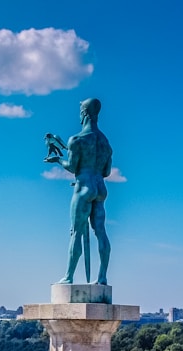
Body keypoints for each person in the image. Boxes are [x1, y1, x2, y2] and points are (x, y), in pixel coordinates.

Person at [45, 97, 113, 285]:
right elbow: (106, 172)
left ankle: (68, 276)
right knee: (101, 231)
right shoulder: (106, 144)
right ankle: (102, 277)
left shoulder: (77, 139)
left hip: (84, 187)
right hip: (100, 187)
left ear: (83, 113)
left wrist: (58, 160)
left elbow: (73, 167)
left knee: (76, 232)